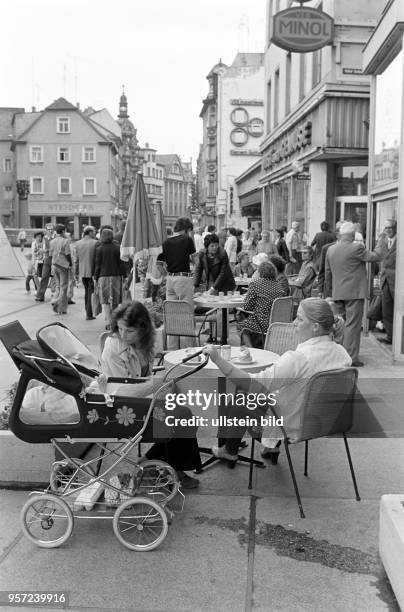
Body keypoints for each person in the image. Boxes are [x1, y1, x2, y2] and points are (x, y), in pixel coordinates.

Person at [202, 298, 352, 462]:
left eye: (300, 319)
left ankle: (230, 451)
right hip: (326, 423)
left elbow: (251, 383)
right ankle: (266, 448)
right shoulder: (343, 354)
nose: (294, 323)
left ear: (315, 327)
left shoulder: (298, 359)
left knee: (239, 398)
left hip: (293, 427)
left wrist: (217, 359)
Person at [101, 301, 201, 489]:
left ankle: (156, 465)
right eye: (120, 329)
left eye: (129, 331)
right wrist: (157, 386)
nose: (123, 334)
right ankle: (163, 467)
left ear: (143, 329)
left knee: (184, 412)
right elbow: (120, 391)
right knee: (181, 416)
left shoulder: (145, 343)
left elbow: (146, 378)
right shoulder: (113, 347)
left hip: (138, 401)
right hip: (121, 409)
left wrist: (161, 387)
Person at [325, 221, 377, 367]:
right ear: (353, 235)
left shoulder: (331, 249)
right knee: (353, 326)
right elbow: (374, 257)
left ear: (340, 234)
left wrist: (328, 292)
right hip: (354, 293)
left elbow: (327, 273)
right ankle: (351, 357)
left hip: (338, 292)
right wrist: (382, 241)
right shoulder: (357, 247)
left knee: (339, 324)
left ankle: (338, 355)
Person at [237, 261, 285, 348]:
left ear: (260, 272)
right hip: (278, 322)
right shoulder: (278, 285)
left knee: (241, 325)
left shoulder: (255, 284)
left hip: (262, 322)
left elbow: (247, 306)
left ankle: (252, 351)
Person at [158, 216, 195, 307]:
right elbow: (196, 260)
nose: (190, 234)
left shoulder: (166, 242)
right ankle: (185, 322)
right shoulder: (187, 239)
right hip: (183, 279)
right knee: (187, 310)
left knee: (172, 311)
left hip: (170, 280)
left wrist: (166, 276)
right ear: (187, 229)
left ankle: (172, 322)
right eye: (190, 231)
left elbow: (158, 265)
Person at [94, 227, 126, 329]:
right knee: (116, 300)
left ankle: (109, 322)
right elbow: (121, 264)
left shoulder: (99, 249)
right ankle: (115, 320)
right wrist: (124, 276)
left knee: (106, 300)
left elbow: (97, 265)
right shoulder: (118, 247)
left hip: (103, 277)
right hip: (116, 276)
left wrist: (95, 278)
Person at [373, 219, 397, 345]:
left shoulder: (400, 240)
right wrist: (380, 239)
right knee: (386, 310)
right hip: (385, 280)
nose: (388, 230)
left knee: (398, 310)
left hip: (397, 281)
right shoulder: (384, 240)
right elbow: (376, 255)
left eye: (391, 227)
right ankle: (390, 335)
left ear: (396, 228)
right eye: (386, 228)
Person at [49, 224, 72, 315]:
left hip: (54, 264)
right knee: (64, 286)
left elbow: (50, 255)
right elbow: (67, 254)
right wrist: (70, 263)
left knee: (58, 286)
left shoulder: (52, 241)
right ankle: (58, 303)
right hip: (63, 265)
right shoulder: (65, 241)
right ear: (63, 231)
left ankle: (62, 308)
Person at [75, 225, 97, 320]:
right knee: (90, 292)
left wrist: (76, 272)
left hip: (82, 271)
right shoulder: (95, 243)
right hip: (92, 271)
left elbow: (76, 259)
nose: (95, 233)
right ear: (90, 232)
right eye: (94, 232)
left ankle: (87, 311)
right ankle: (89, 313)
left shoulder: (78, 243)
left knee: (87, 291)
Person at [35, 225, 54, 302]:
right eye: (48, 229)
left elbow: (55, 249)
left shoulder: (55, 238)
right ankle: (40, 295)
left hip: (54, 259)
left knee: (55, 278)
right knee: (44, 277)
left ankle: (55, 295)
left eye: (51, 229)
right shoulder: (44, 238)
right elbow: (39, 249)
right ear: (46, 230)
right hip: (46, 260)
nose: (50, 231)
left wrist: (46, 251)